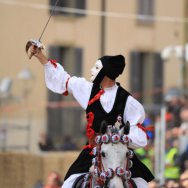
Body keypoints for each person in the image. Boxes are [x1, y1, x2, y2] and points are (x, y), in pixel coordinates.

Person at [28, 45, 154, 188]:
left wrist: (120, 138)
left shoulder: (127, 101)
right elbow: (64, 80)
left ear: (105, 73)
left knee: (142, 184)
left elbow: (140, 135)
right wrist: (41, 56)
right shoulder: (87, 90)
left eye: (96, 68)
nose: (91, 70)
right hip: (94, 152)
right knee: (68, 185)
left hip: (119, 155)